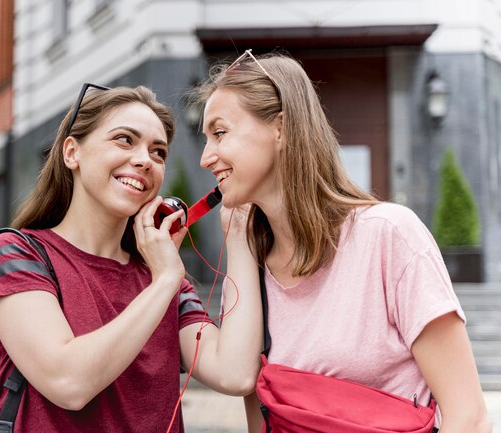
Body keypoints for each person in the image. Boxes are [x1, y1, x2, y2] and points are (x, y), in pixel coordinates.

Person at [196, 50, 492, 433]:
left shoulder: (389, 235)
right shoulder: (249, 264)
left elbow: (468, 418)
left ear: (281, 129)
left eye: (220, 133)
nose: (205, 157)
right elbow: (261, 416)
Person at [0, 84, 262, 433]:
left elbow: (235, 373)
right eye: (125, 140)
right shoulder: (16, 254)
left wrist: (240, 233)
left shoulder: (162, 278)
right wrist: (166, 281)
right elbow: (69, 382)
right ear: (71, 152)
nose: (144, 160)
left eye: (158, 152)